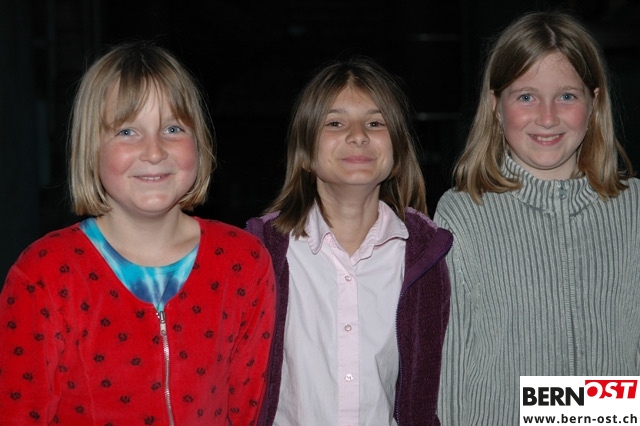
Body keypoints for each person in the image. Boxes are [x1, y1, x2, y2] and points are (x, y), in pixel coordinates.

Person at [0, 41, 276, 425]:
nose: (154, 151)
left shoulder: (243, 261)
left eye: (173, 128)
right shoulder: (44, 273)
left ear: (199, 143)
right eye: (127, 131)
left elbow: (250, 412)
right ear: (91, 148)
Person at [435, 10, 640, 425]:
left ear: (594, 102)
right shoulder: (462, 212)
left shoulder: (633, 207)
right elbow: (449, 364)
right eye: (526, 97)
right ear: (495, 106)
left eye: (567, 96)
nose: (547, 117)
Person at [247, 56, 453, 426]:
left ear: (397, 151)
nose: (358, 135)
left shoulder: (425, 258)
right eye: (335, 123)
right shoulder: (262, 253)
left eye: (375, 123)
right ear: (305, 153)